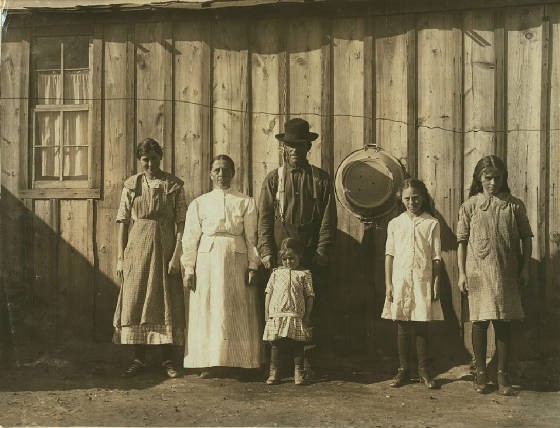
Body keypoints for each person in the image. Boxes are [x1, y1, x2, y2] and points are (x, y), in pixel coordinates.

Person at [257, 118, 336, 379]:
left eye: (299, 146)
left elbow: (328, 219)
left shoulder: (321, 179)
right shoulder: (273, 179)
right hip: (283, 252)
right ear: (283, 148)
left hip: (310, 249)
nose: (294, 151)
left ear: (307, 148)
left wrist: (322, 251)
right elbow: (264, 219)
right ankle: (277, 364)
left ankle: (305, 363)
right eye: (289, 146)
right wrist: (266, 251)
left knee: (308, 306)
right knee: (280, 306)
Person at [457, 155, 532, 396]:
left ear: (504, 178)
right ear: (479, 179)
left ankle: (502, 374)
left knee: (503, 322)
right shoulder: (470, 206)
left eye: (497, 178)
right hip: (477, 272)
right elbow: (462, 242)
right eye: (487, 178)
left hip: (506, 274)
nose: (492, 183)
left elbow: (526, 238)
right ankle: (480, 373)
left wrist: (524, 268)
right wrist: (461, 273)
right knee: (479, 321)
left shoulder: (514, 205)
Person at [181, 154, 261, 377]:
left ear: (233, 173)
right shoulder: (199, 203)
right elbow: (189, 238)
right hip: (207, 259)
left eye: (226, 170)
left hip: (236, 258)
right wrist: (189, 268)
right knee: (209, 308)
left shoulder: (245, 201)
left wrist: (253, 265)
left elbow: (252, 237)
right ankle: (209, 361)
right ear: (210, 174)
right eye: (217, 170)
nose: (221, 175)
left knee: (234, 308)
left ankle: (239, 361)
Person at [114, 138, 186, 378]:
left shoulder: (173, 185)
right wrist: (121, 257)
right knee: (136, 297)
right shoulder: (131, 185)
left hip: (165, 247)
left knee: (164, 297)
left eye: (154, 158)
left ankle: (167, 359)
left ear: (160, 158)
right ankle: (139, 358)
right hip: (138, 247)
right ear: (140, 160)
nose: (150, 164)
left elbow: (181, 222)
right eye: (145, 159)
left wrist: (176, 255)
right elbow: (123, 221)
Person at [382, 178, 443, 389]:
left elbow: (436, 257)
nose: (412, 202)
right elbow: (389, 255)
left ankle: (424, 370)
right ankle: (403, 369)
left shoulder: (431, 223)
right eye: (407, 198)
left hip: (421, 279)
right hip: (400, 280)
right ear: (401, 199)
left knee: (421, 324)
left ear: (423, 198)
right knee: (402, 324)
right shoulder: (395, 224)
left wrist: (435, 282)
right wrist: (388, 284)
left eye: (416, 198)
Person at [263, 238, 314, 385]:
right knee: (276, 344)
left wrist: (308, 315)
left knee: (297, 344)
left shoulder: (304, 274)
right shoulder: (276, 273)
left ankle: (298, 372)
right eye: (284, 259)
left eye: (292, 258)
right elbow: (268, 293)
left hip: (296, 315)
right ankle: (274, 372)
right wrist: (267, 312)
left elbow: (310, 295)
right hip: (277, 314)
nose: (288, 262)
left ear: (299, 256)